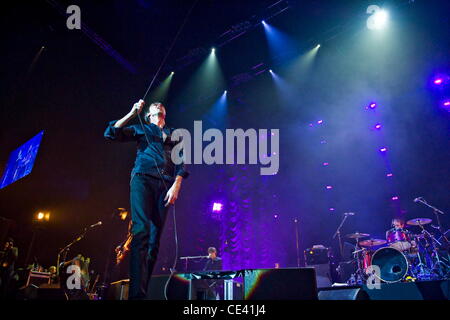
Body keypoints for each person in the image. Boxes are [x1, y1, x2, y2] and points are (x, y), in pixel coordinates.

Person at [104, 100, 189, 300]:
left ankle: (141, 292)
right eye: (154, 107)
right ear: (149, 115)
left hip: (165, 185)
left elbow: (181, 162)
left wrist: (176, 185)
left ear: (164, 114)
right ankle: (136, 295)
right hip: (142, 179)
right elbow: (111, 133)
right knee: (140, 230)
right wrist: (132, 112)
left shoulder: (174, 133)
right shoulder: (141, 128)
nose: (158, 105)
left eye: (161, 106)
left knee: (153, 242)